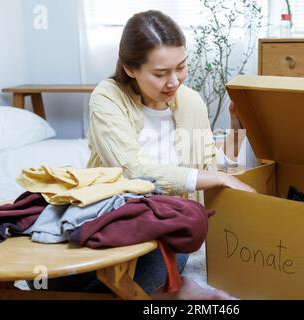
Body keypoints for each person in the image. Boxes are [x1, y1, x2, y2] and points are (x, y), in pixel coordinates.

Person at [31, 9, 257, 300]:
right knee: (57, 279)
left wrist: (237, 127)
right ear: (130, 68)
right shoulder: (107, 97)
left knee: (166, 253)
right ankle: (174, 291)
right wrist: (212, 178)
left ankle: (169, 289)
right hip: (112, 217)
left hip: (163, 224)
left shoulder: (191, 101)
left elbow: (211, 163)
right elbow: (131, 170)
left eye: (181, 67)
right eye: (160, 74)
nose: (174, 81)